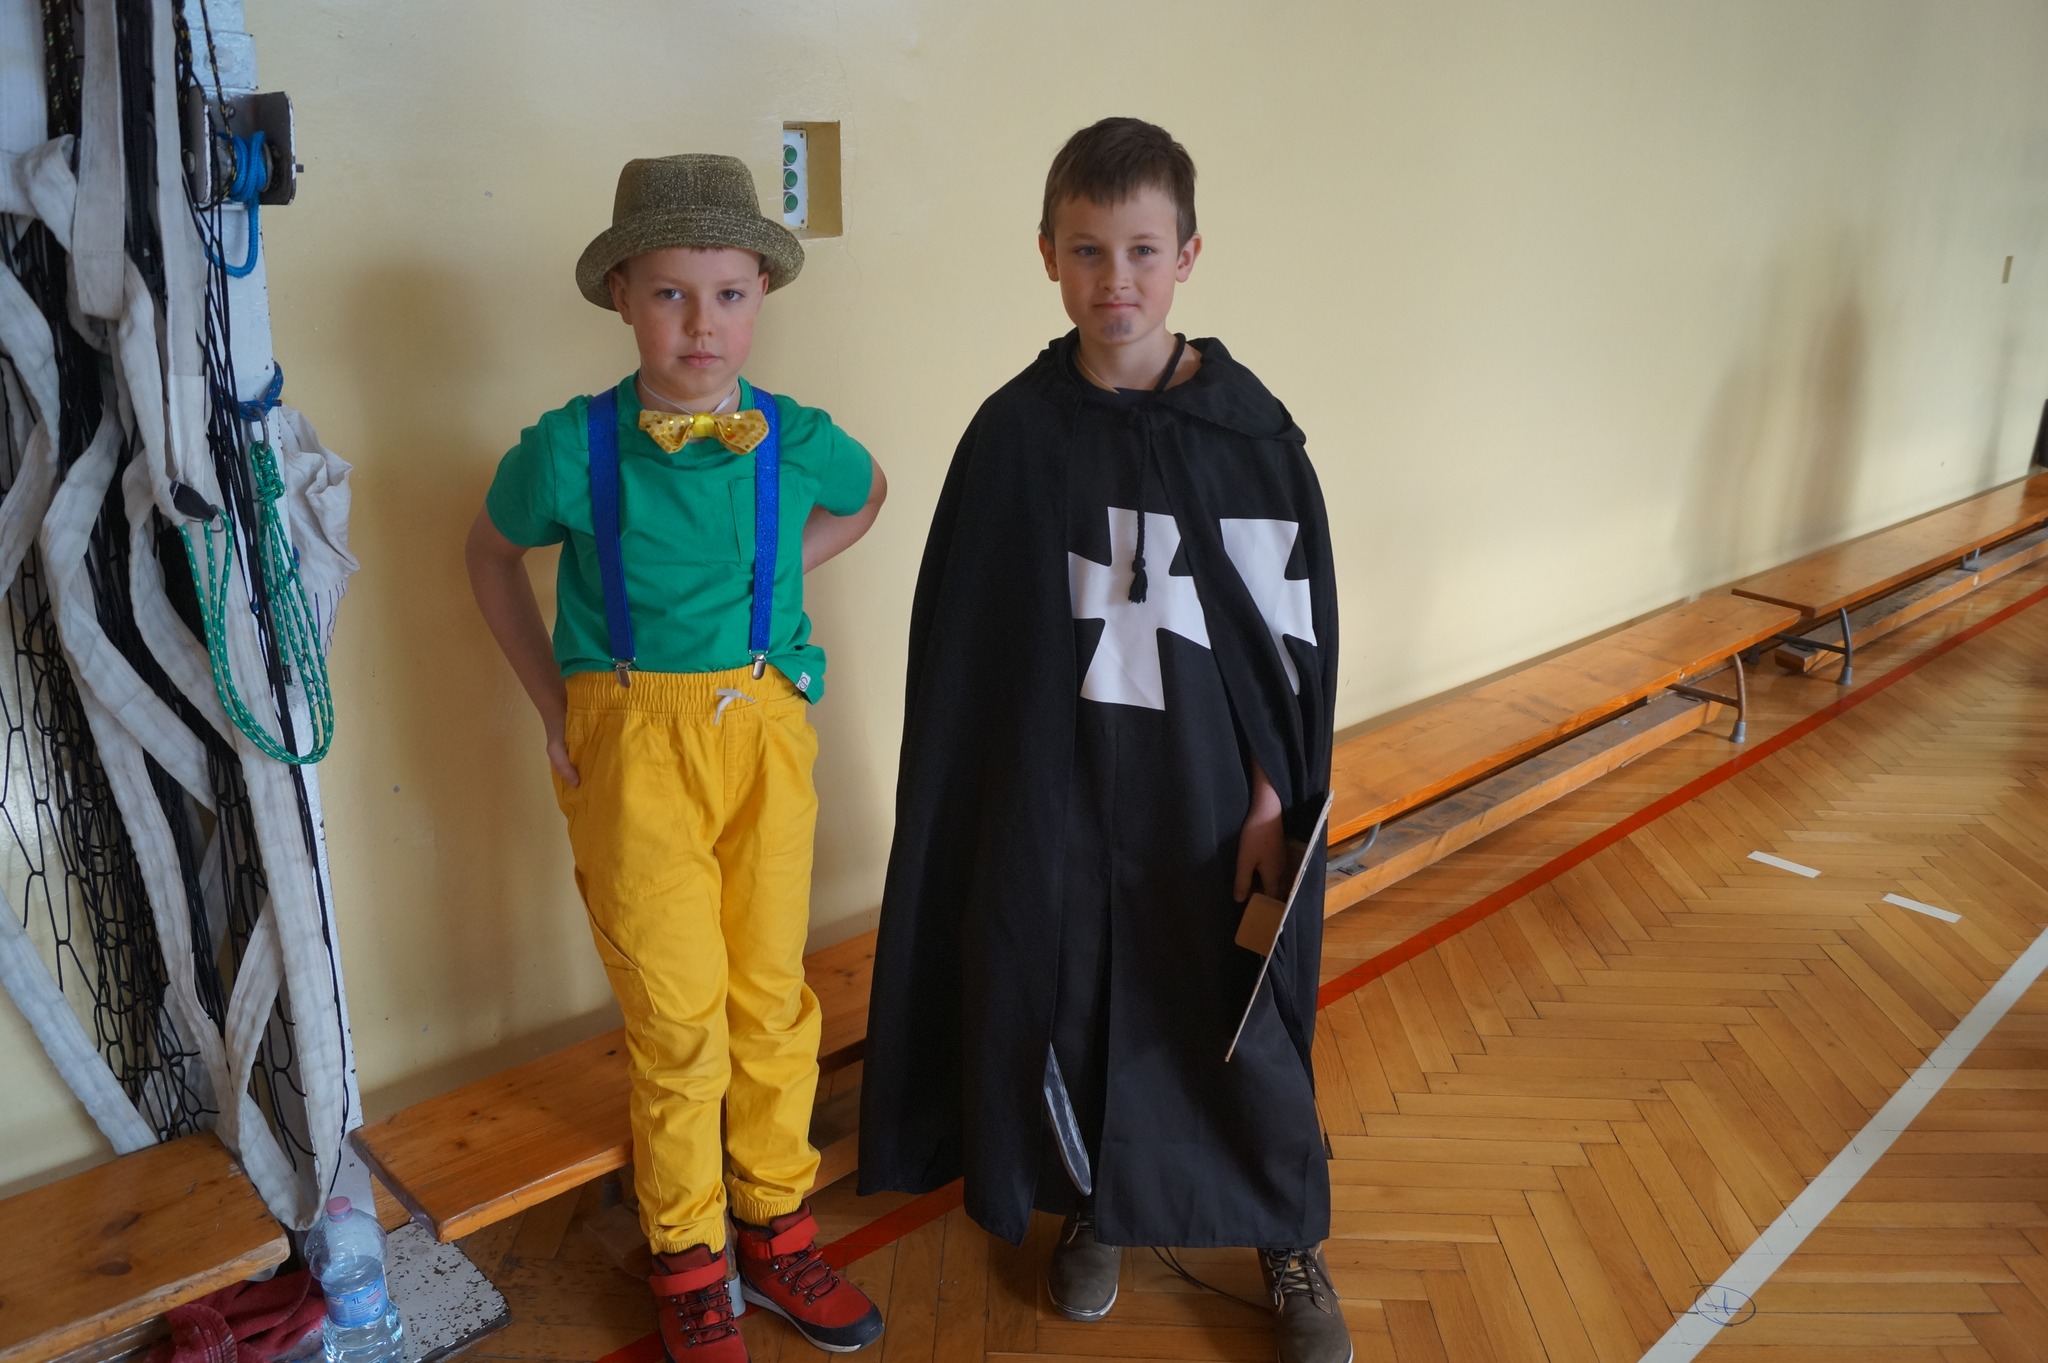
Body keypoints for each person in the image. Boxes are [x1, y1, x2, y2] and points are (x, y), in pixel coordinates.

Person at [858, 118, 1348, 1363]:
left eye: (1139, 250)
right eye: (1085, 251)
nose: (1112, 280)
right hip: (1063, 796)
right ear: (1045, 255)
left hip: (1208, 794)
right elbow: (974, 654)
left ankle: (1284, 1231)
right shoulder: (1015, 436)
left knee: (1238, 1008)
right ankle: (1098, 1204)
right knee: (1076, 1003)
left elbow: (1281, 651)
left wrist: (1268, 801)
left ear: (1187, 255)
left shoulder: (1246, 436)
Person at [466, 154, 888, 1363]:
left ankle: (776, 1223)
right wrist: (551, 703)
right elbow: (487, 556)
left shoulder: (796, 439)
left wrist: (776, 575)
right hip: (631, 749)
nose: (702, 324)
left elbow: (867, 495)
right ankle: (690, 1256)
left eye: (728, 294)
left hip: (765, 733)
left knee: (771, 1001)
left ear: (760, 296)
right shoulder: (568, 448)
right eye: (669, 294)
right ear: (620, 296)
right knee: (677, 1018)